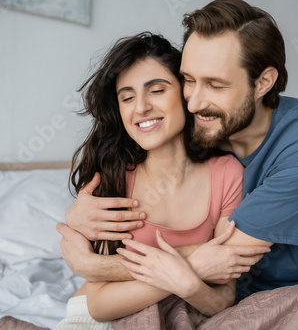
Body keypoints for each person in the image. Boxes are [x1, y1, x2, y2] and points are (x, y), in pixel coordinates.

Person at [57, 0, 298, 330]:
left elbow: (222, 256)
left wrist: (92, 268)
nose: (193, 102)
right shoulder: (201, 125)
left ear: (262, 83)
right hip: (249, 292)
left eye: (216, 84)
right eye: (188, 80)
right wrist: (77, 216)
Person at [55, 32, 267, 329]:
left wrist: (186, 281)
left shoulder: (227, 174)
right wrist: (190, 269)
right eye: (127, 97)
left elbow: (222, 300)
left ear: (185, 93)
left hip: (189, 317)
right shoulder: (113, 176)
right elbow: (100, 305)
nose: (140, 107)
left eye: (156, 90)